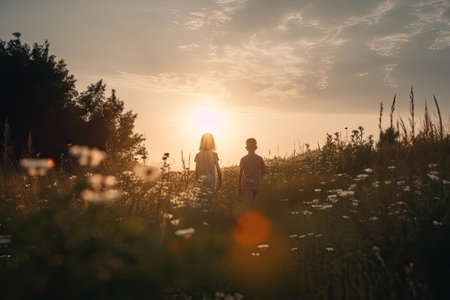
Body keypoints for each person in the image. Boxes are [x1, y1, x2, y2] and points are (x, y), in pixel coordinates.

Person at [195, 133, 222, 208]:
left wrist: (197, 182)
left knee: (202, 201)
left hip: (201, 180)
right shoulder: (214, 154)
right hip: (211, 179)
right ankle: (210, 216)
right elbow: (219, 170)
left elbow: (196, 171)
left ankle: (204, 216)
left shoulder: (198, 155)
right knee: (211, 200)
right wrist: (220, 183)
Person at [238, 138, 266, 207]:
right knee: (255, 203)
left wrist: (239, 186)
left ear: (246, 148)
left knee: (250, 204)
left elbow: (240, 173)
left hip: (246, 184)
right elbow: (264, 172)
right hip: (256, 183)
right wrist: (258, 176)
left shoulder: (243, 159)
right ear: (256, 147)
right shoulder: (260, 158)